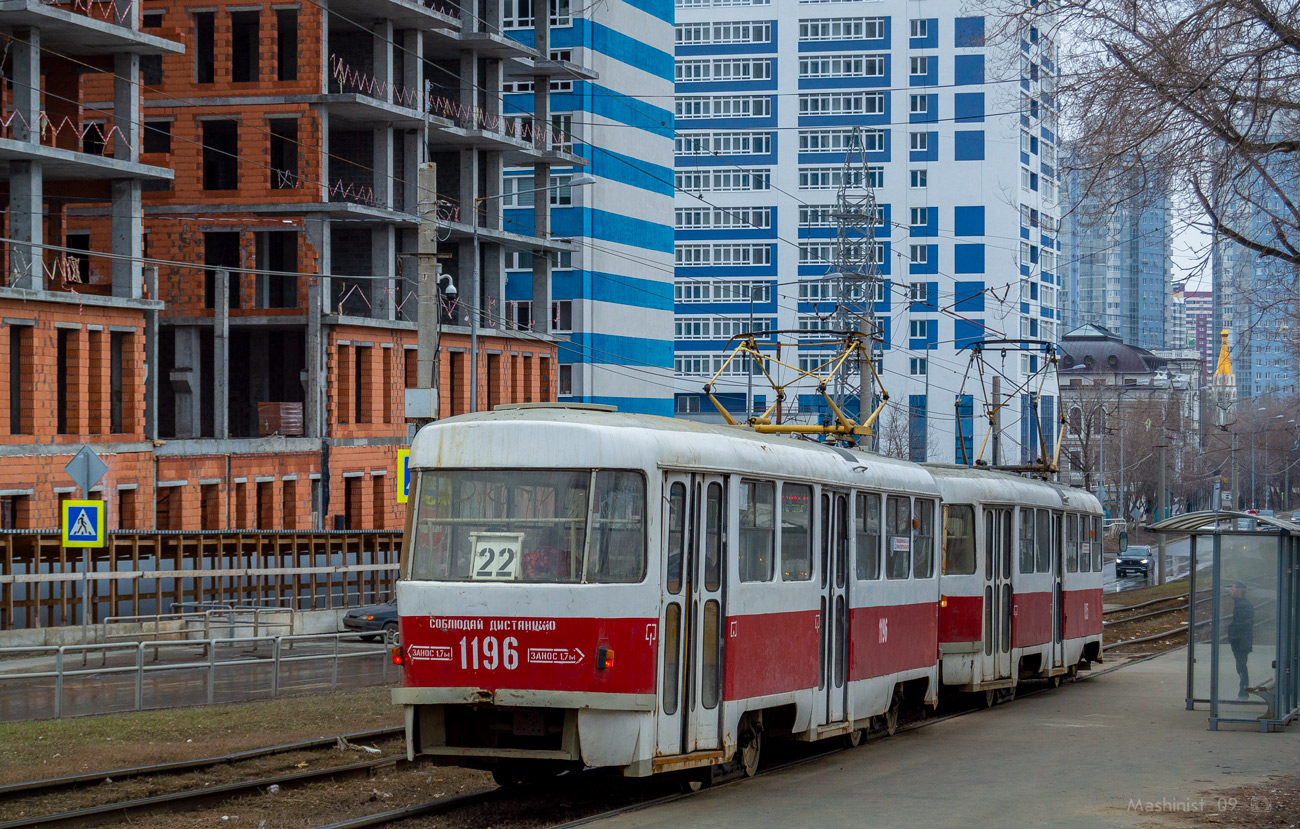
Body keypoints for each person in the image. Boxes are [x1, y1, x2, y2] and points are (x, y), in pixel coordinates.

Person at [1227, 581, 1255, 700]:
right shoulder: (1240, 604)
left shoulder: (1243, 605)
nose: (1230, 591)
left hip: (1241, 641)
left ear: (1239, 592)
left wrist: (1232, 635)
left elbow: (1242, 625)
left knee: (1241, 666)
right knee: (1241, 666)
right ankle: (1243, 691)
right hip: (1241, 640)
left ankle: (1243, 692)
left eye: (1232, 589)